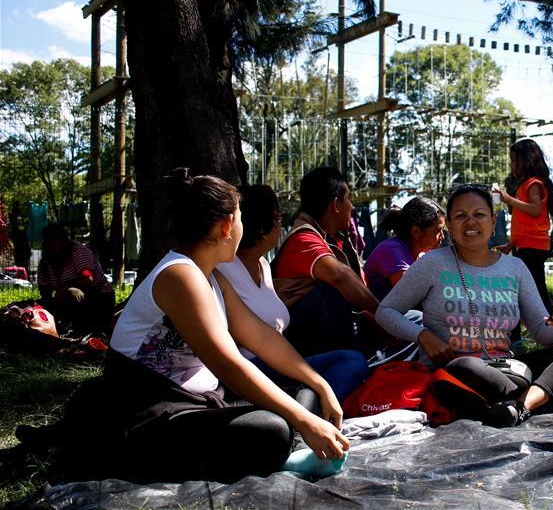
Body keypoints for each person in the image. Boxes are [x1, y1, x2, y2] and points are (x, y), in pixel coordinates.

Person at [20, 170, 351, 484]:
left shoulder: (211, 276)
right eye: (239, 218)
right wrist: (303, 420)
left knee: (303, 395)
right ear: (225, 226)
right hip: (150, 410)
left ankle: (276, 451)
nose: (241, 227)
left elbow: (262, 338)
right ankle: (275, 455)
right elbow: (227, 363)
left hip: (199, 400)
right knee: (275, 429)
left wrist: (320, 384)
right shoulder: (180, 275)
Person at [376, 184, 553, 428]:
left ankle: (522, 405)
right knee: (465, 365)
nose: (470, 222)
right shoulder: (432, 264)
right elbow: (385, 312)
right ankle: (548, 397)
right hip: (458, 373)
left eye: (479, 214)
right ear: (449, 225)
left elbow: (544, 336)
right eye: (461, 216)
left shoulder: (515, 268)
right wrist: (422, 335)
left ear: (493, 221)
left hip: (507, 368)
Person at [216, 184, 368, 401]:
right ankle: (309, 405)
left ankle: (309, 400)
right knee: (348, 357)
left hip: (277, 359)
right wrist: (383, 314)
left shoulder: (262, 265)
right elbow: (339, 276)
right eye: (278, 217)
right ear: (260, 226)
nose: (282, 224)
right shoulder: (222, 271)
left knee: (352, 361)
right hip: (252, 367)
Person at [272, 167, 381, 357]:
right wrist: (386, 316)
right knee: (332, 290)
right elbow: (339, 276)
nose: (352, 206)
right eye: (348, 198)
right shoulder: (303, 238)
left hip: (313, 331)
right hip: (294, 340)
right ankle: (347, 360)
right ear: (335, 204)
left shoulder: (329, 238)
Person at [493, 139, 553, 311]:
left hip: (534, 247)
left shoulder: (533, 184)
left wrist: (508, 199)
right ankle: (545, 318)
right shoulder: (524, 184)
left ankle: (551, 320)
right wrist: (510, 245)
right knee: (532, 286)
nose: (512, 164)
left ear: (527, 160)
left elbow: (535, 210)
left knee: (536, 287)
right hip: (525, 245)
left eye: (515, 160)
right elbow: (523, 223)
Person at [37, 223, 115, 334]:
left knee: (72, 293)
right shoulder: (45, 263)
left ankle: (83, 329)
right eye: (51, 241)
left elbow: (87, 278)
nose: (55, 244)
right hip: (68, 303)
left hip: (100, 299)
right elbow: (44, 290)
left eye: (57, 240)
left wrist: (64, 288)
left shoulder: (79, 252)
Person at [363, 197, 445, 301]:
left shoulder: (417, 255)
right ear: (416, 232)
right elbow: (411, 293)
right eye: (438, 231)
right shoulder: (391, 250)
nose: (442, 236)